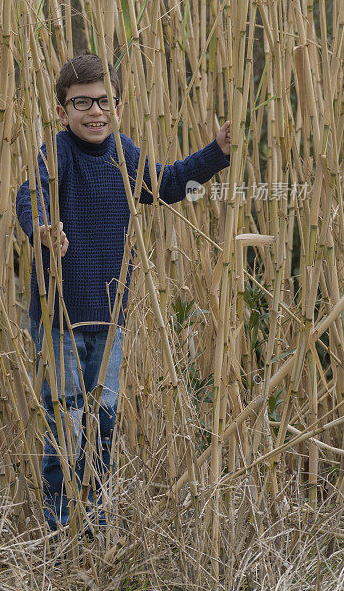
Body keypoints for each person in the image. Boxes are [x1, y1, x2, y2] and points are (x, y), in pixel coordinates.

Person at [16, 53, 231, 532]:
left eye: (104, 101)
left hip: (111, 317)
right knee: (65, 424)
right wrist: (42, 229)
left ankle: (96, 521)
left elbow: (169, 184)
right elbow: (30, 194)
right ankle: (59, 526)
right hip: (60, 319)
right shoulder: (57, 152)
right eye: (82, 103)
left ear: (119, 105)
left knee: (103, 423)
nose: (95, 112)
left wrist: (217, 152)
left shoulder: (123, 152)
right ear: (61, 111)